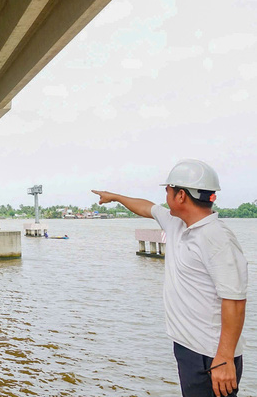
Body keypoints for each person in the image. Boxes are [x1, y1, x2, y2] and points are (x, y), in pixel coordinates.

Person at [92, 159, 248, 397]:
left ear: (181, 195)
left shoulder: (217, 238)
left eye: (168, 190)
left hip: (211, 356)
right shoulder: (177, 223)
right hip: (189, 348)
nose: (165, 195)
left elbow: (235, 301)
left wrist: (225, 359)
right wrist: (115, 197)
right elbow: (147, 207)